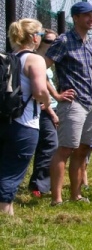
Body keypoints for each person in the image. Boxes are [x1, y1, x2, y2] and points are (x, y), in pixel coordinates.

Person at [46, 2, 92, 205]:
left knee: (83, 149)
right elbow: (41, 68)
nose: (91, 18)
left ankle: (76, 195)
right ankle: (57, 199)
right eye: (86, 15)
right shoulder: (63, 41)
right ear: (76, 18)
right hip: (73, 104)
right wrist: (56, 95)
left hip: (91, 104)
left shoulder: (91, 44)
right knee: (65, 149)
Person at [0, 19, 53, 216]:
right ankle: (4, 213)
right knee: (13, 170)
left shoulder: (8, 58)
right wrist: (47, 101)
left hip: (4, 119)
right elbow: (39, 91)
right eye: (41, 35)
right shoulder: (35, 59)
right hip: (24, 123)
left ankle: (9, 211)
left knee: (4, 165)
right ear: (34, 37)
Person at [27, 29, 60, 198]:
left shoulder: (48, 62)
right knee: (49, 144)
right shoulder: (35, 60)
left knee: (47, 145)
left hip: (51, 107)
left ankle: (41, 184)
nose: (52, 45)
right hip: (44, 109)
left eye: (55, 42)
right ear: (39, 41)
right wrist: (52, 113)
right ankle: (38, 185)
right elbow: (40, 91)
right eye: (48, 41)